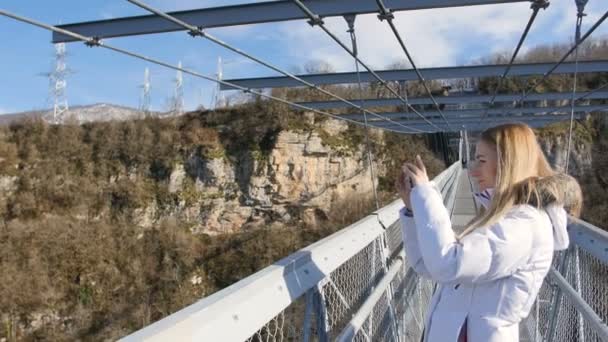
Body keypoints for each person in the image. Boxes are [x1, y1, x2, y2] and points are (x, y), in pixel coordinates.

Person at [395, 123, 582, 342]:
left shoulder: (525, 226)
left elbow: (447, 263)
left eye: (482, 161)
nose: (473, 171)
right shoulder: (499, 217)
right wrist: (414, 211)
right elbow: (430, 265)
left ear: (508, 164)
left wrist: (426, 196)